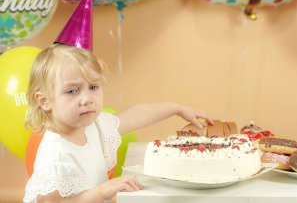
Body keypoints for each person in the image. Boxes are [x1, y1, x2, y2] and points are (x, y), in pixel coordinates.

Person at [23, 43, 213, 203]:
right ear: (44, 101)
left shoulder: (92, 127)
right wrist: (101, 192)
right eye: (72, 91)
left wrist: (177, 109)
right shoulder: (55, 156)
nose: (87, 99)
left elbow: (137, 115)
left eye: (93, 87)